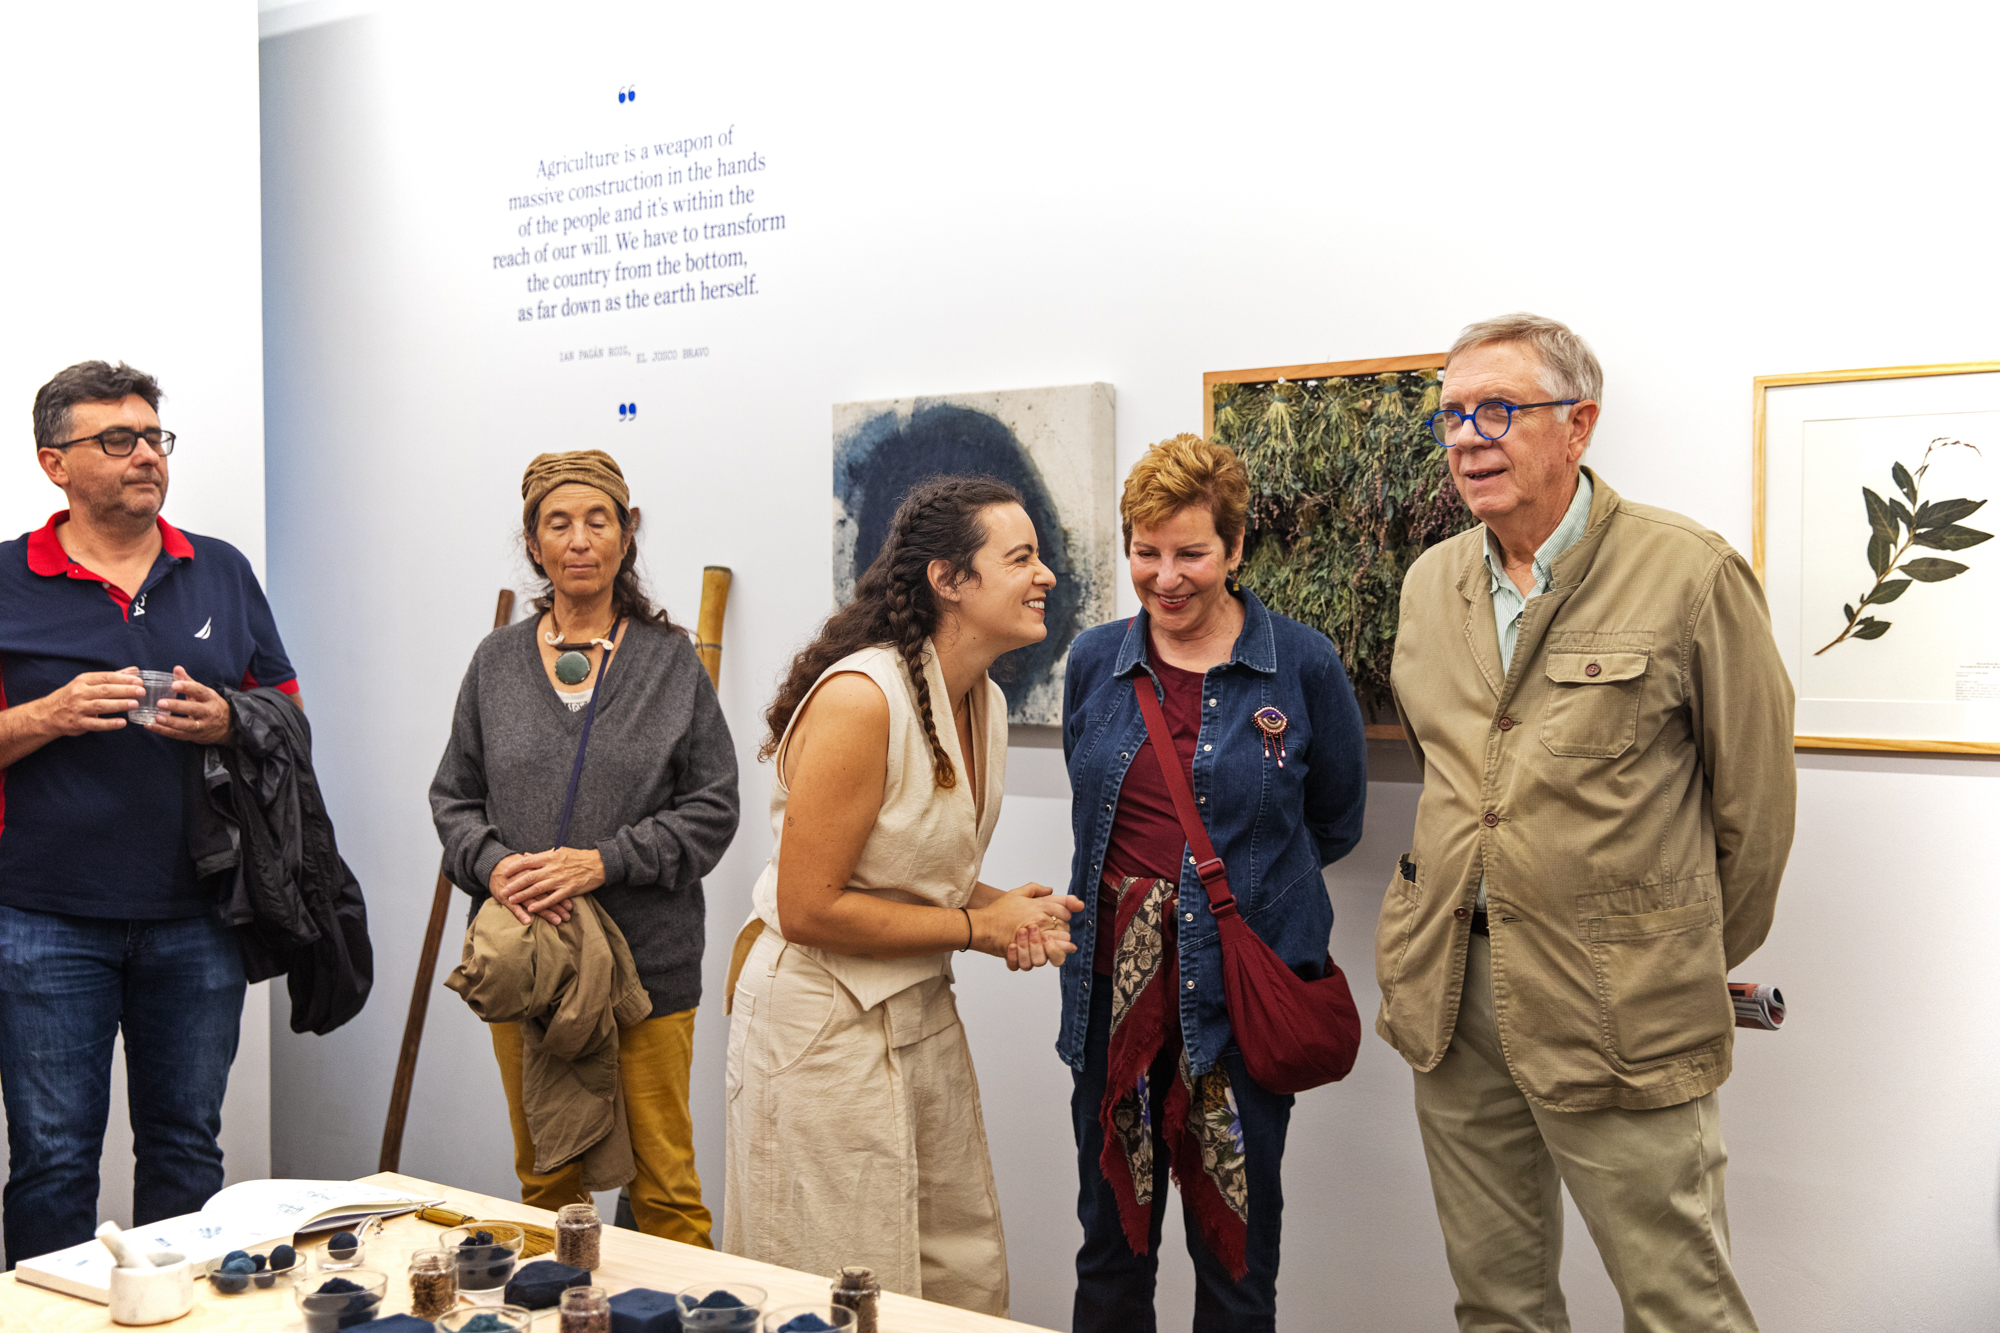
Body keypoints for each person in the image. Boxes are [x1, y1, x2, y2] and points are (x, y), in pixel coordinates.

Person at [1379, 313, 1796, 1332]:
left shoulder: (1688, 572)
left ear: (1578, 425)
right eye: (1451, 415)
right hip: (1452, 996)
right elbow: (1453, 781)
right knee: (1495, 1301)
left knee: (1679, 1304)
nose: (1467, 437)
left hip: (1622, 1007)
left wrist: (1671, 955)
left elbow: (1755, 811)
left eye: (1498, 410)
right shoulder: (1430, 583)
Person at [722, 476, 1081, 1317]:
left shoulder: (984, 699)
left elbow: (906, 868)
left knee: (956, 1275)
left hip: (919, 1012)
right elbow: (810, 905)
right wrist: (976, 925)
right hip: (819, 1026)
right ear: (948, 579)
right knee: (836, 1285)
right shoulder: (861, 698)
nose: (1045, 576)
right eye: (1020, 558)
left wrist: (1005, 909)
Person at [1057, 433, 1367, 1333]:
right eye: (1145, 552)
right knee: (1110, 1256)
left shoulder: (1300, 664)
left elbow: (1335, 821)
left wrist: (1222, 901)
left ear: (1234, 549)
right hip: (1112, 1013)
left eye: (1190, 552)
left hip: (1236, 1012)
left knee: (1236, 1267)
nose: (1165, 577)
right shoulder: (1095, 661)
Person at [0, 361, 300, 1267]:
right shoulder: (6, 578)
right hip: (44, 918)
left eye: (153, 437)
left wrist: (230, 717)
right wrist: (47, 715)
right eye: (117, 439)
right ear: (55, 462)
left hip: (201, 913)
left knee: (185, 1151)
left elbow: (288, 715)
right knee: (53, 1163)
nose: (146, 455)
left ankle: (181, 1320)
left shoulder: (219, 568)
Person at [430, 449, 739, 1247]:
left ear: (626, 536)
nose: (578, 539)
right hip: (529, 960)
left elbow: (713, 808)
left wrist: (603, 862)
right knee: (546, 1185)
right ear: (533, 542)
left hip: (649, 965)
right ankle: (562, 1301)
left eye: (598, 521)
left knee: (666, 1189)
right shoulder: (496, 662)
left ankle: (675, 1306)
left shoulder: (669, 663)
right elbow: (453, 799)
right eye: (558, 523)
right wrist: (496, 865)